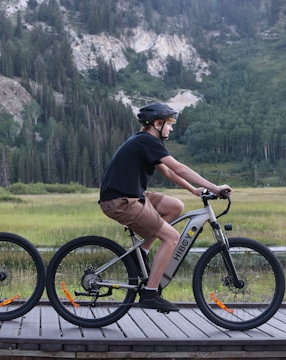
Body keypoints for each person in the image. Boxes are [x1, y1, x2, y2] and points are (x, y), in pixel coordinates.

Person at [99, 102, 231, 312]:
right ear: (157, 123)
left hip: (133, 196)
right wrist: (214, 188)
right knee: (171, 238)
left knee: (175, 207)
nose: (171, 128)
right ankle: (150, 294)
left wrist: (195, 191)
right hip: (122, 202)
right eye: (169, 124)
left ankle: (141, 251)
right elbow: (178, 167)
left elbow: (169, 173)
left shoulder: (145, 141)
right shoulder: (146, 140)